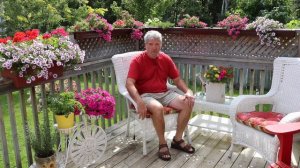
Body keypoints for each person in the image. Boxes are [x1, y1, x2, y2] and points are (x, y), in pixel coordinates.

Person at [126, 30, 195, 161]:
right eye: (151, 44)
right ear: (145, 45)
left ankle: (177, 139)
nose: (154, 47)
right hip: (146, 95)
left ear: (161, 45)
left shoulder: (165, 58)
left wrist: (188, 91)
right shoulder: (137, 61)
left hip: (165, 93)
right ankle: (162, 144)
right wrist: (139, 101)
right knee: (157, 108)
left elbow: (177, 80)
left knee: (188, 102)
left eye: (157, 44)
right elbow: (129, 83)